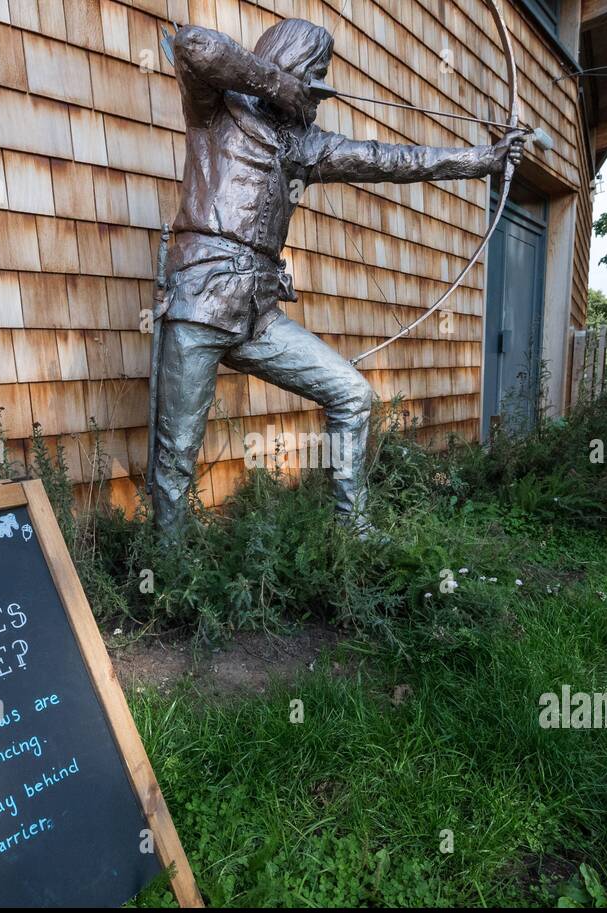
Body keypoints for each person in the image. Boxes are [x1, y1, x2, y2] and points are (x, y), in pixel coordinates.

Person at [151, 17, 523, 536]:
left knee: (351, 394)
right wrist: (286, 90)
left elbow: (389, 160)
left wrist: (482, 160)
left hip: (258, 312)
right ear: (291, 65)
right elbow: (195, 45)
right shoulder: (217, 110)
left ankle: (352, 532)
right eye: (315, 77)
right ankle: (167, 572)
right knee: (176, 453)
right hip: (200, 300)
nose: (318, 93)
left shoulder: (304, 144)